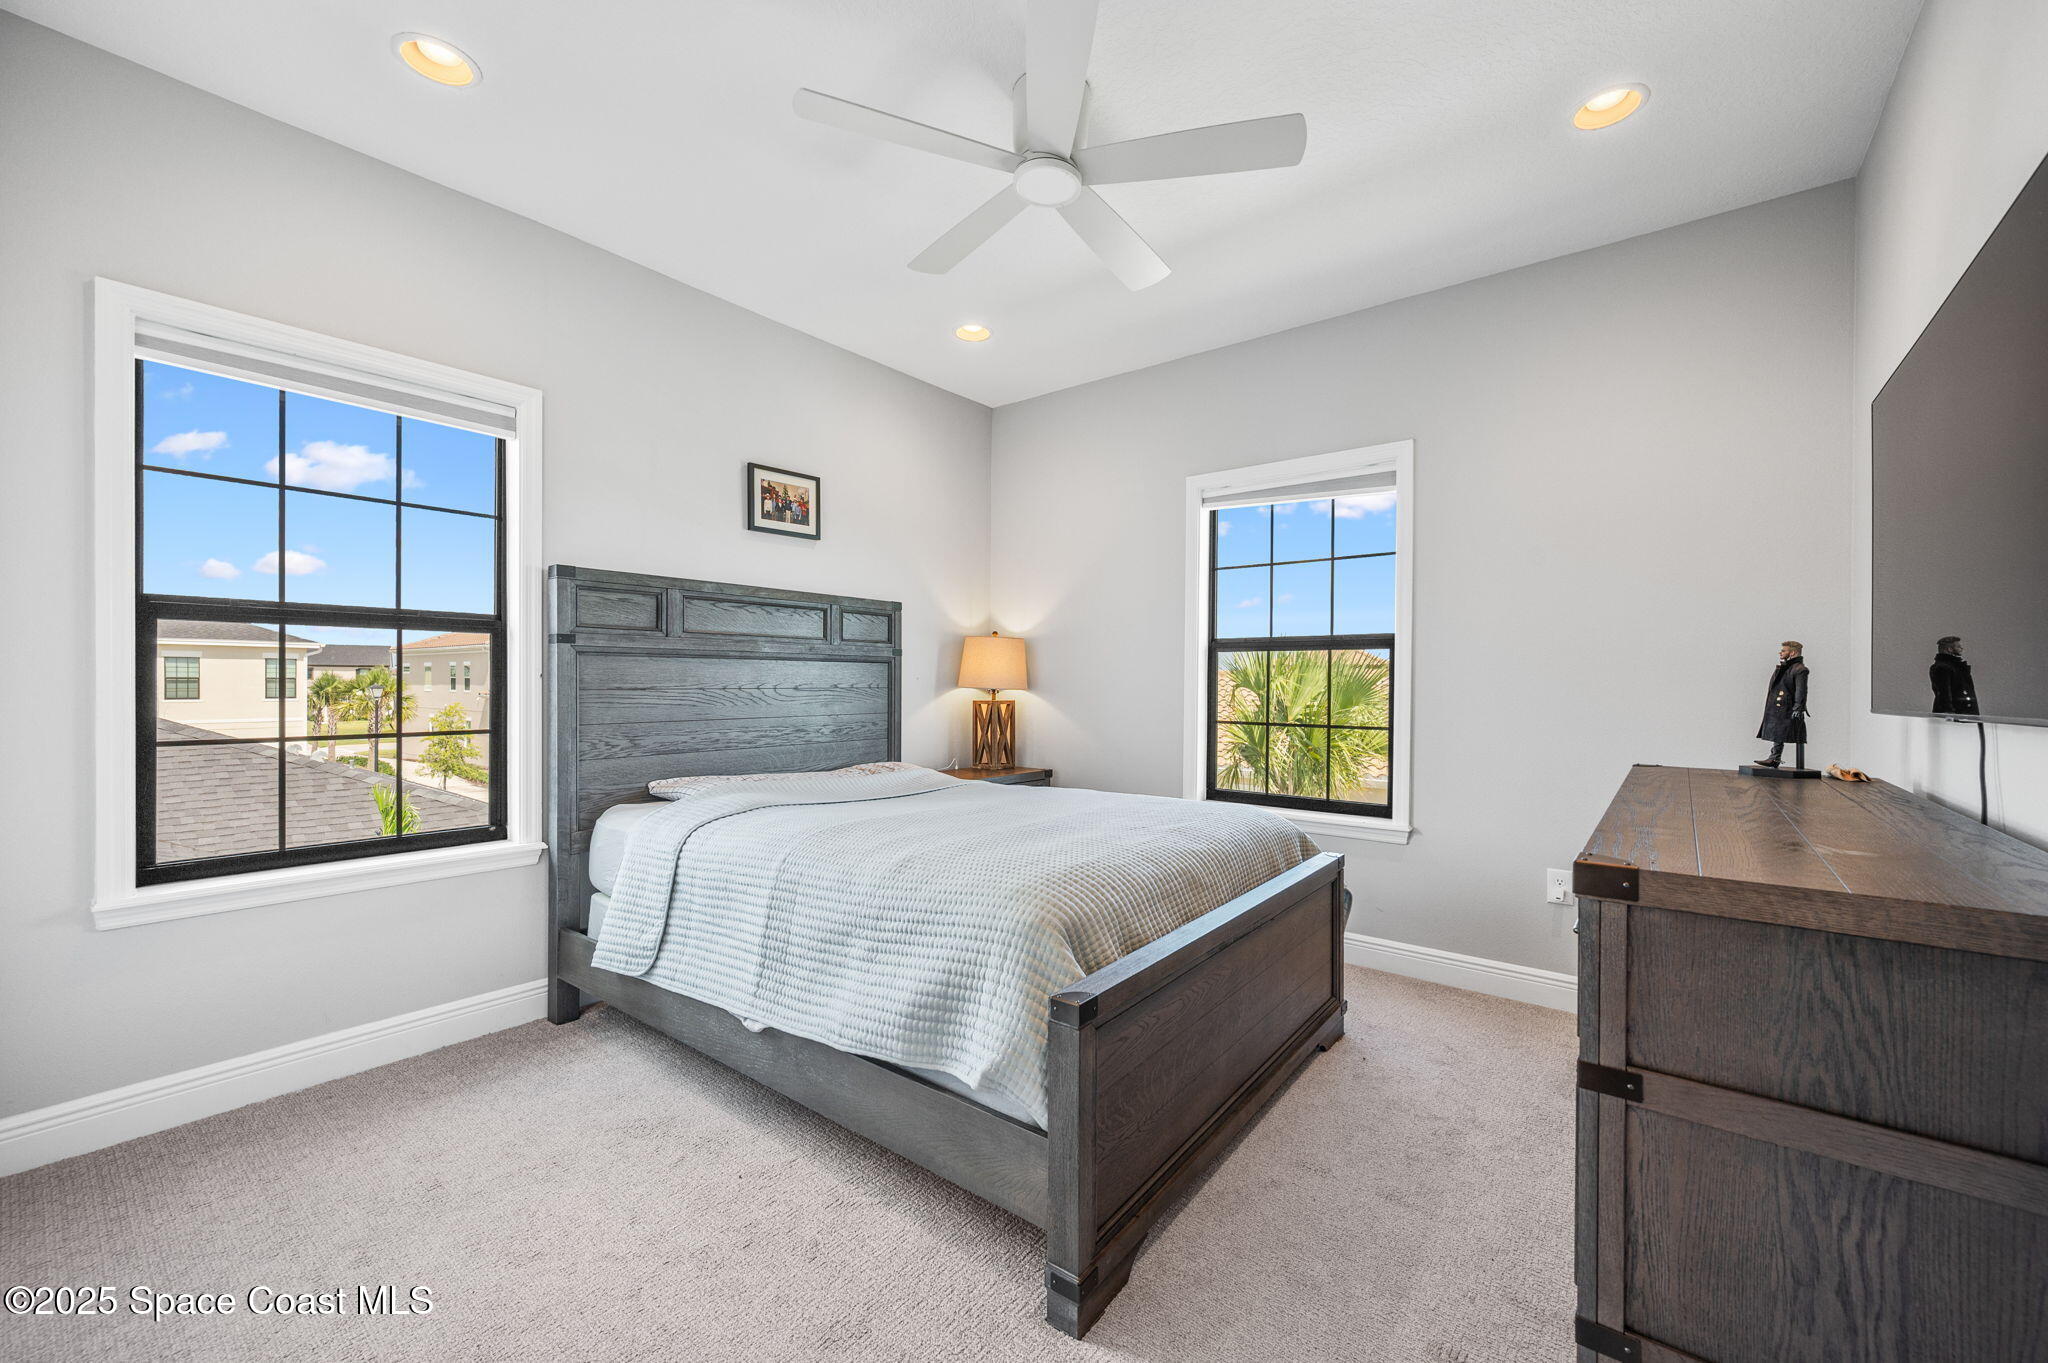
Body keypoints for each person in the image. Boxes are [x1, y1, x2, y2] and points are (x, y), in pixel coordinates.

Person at [1754, 640, 1810, 768]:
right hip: (1778, 707)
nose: (1780, 653)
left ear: (1793, 652)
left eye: (1784, 651)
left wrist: (1798, 707)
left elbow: (1801, 691)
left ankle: (1774, 757)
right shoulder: (1786, 667)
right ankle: (1774, 757)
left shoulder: (1800, 669)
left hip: (1787, 707)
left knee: (1781, 731)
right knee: (1777, 732)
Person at [1930, 635, 1979, 715]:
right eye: (1958, 647)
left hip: (1963, 715)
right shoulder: (1942, 668)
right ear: (1949, 649)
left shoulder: (1956, 667)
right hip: (1958, 717)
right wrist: (1949, 715)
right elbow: (1944, 695)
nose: (1961, 649)